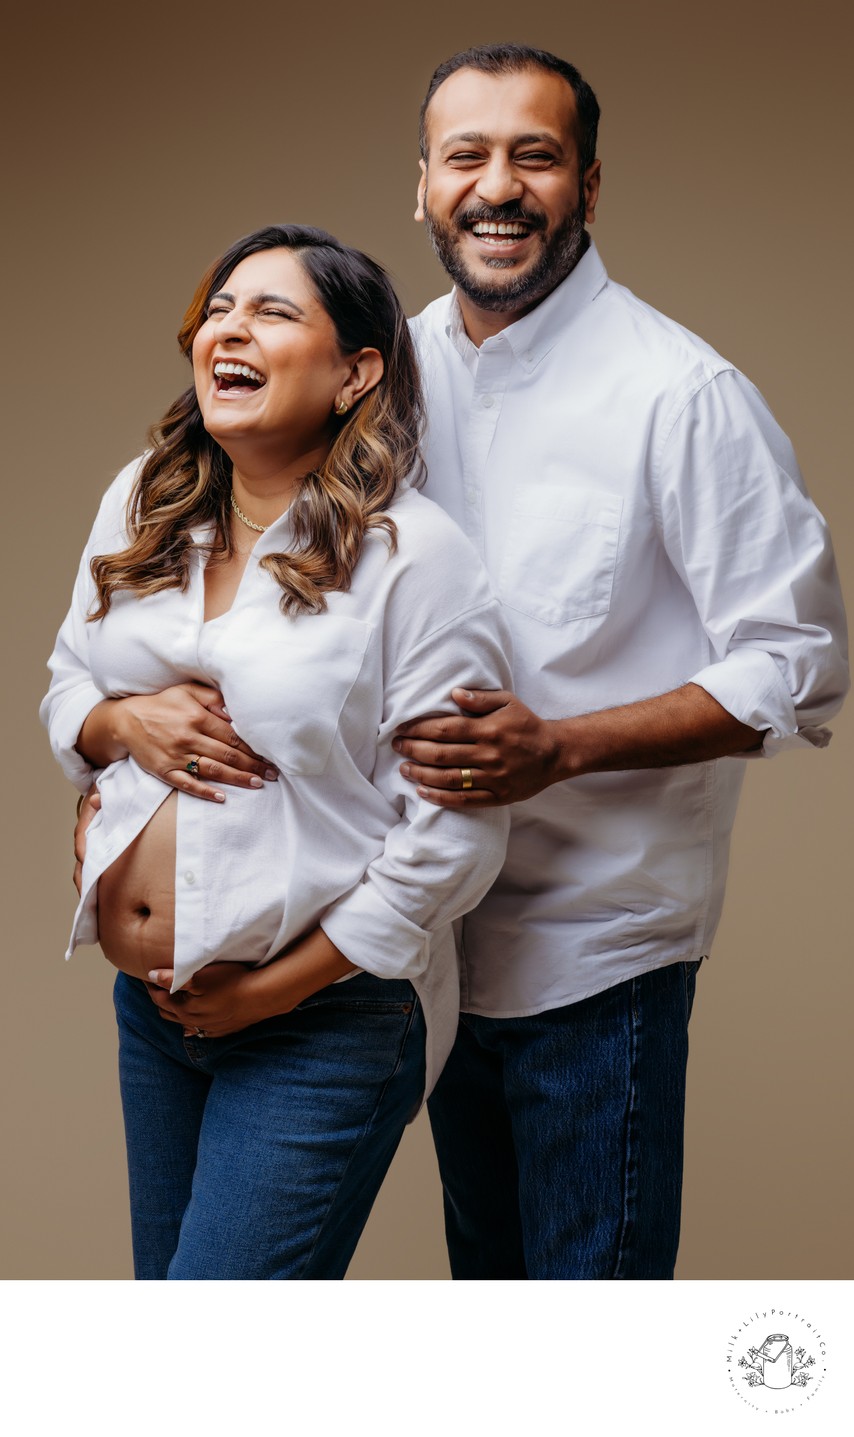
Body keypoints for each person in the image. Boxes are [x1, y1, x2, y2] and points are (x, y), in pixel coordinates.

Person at [390, 44, 849, 1279]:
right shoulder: (378, 377)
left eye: (534, 156)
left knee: (595, 1350)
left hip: (599, 952)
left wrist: (560, 747)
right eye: (467, 156)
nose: (499, 186)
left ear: (586, 186)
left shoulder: (680, 394)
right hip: (423, 941)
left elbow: (795, 662)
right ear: (421, 186)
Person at [41, 223, 512, 1281]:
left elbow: (458, 836)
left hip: (323, 1019)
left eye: (271, 311)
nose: (229, 330)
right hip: (154, 1011)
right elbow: (69, 680)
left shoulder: (413, 558)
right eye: (217, 309)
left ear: (355, 373)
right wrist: (118, 725)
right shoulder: (144, 499)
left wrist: (272, 990)